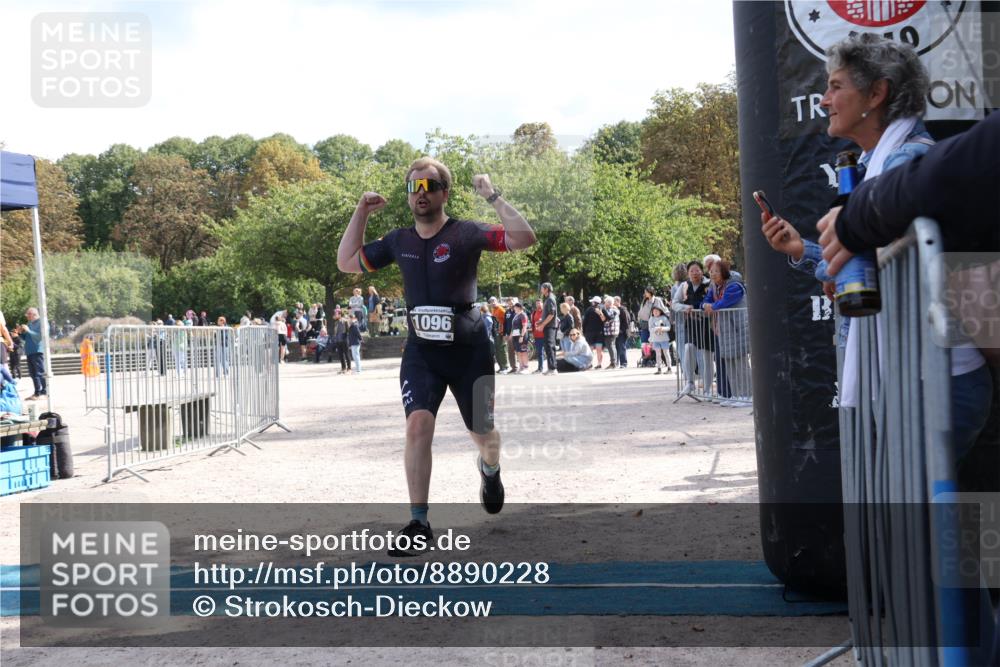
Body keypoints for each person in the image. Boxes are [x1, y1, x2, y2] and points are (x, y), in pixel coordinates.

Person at [336, 155, 536, 549]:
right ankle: (419, 523)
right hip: (422, 353)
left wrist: (493, 196)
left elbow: (524, 239)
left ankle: (490, 468)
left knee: (483, 432)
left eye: (429, 186)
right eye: (414, 187)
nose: (421, 194)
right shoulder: (399, 241)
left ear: (444, 192)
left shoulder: (466, 234)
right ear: (408, 195)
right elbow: (346, 262)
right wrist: (360, 211)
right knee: (417, 425)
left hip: (469, 352)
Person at [703, 260, 751, 406]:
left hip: (738, 327)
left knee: (740, 361)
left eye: (716, 271)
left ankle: (748, 395)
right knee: (729, 361)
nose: (713, 274)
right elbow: (706, 300)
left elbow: (726, 302)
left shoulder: (734, 285)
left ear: (724, 271)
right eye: (711, 271)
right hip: (724, 329)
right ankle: (736, 394)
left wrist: (711, 306)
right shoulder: (714, 286)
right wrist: (705, 305)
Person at [674, 261, 714, 396]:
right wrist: (685, 308)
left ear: (702, 272)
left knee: (707, 356)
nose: (695, 273)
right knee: (688, 348)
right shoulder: (684, 286)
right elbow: (674, 303)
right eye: (692, 271)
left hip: (708, 324)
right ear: (688, 273)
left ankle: (708, 389)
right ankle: (690, 382)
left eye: (697, 270)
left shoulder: (709, 284)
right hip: (691, 324)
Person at [19, 308, 49, 400]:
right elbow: (27, 338)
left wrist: (28, 330)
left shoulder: (42, 323)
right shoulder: (30, 324)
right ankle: (37, 393)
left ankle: (44, 392)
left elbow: (39, 337)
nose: (27, 316)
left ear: (34, 314)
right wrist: (20, 334)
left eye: (28, 314)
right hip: (30, 351)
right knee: (33, 374)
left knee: (39, 373)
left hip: (37, 351)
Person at [539, 282, 559, 376]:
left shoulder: (550, 298)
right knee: (548, 347)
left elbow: (552, 314)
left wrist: (543, 324)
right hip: (548, 326)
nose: (541, 289)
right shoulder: (547, 298)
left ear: (546, 289)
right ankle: (551, 367)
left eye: (542, 288)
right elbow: (548, 314)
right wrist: (540, 321)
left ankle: (553, 368)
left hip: (550, 326)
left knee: (550, 346)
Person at [582, 296, 605, 368]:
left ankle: (590, 363)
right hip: (600, 332)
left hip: (590, 332)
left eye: (592, 301)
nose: (591, 302)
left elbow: (585, 321)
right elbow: (604, 320)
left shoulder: (589, 310)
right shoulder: (602, 309)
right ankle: (599, 364)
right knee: (599, 349)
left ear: (594, 302)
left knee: (590, 349)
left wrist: (583, 330)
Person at [648, 304, 672, 374]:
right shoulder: (651, 319)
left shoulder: (664, 318)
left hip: (664, 339)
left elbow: (668, 327)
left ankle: (669, 368)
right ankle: (659, 368)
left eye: (657, 311)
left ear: (660, 311)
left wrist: (662, 329)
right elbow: (650, 329)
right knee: (658, 354)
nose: (655, 312)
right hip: (655, 340)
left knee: (666, 353)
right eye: (654, 311)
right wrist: (656, 329)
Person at [488, 297, 510, 374]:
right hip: (495, 332)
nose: (493, 303)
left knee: (502, 349)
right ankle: (501, 367)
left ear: (497, 301)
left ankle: (505, 366)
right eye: (491, 302)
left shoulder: (501, 309)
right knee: (497, 349)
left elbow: (506, 321)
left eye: (494, 301)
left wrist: (504, 332)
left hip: (501, 332)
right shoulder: (493, 309)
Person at [510, 301, 530, 374]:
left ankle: (526, 367)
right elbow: (513, 327)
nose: (514, 308)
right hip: (515, 336)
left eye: (515, 307)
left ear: (519, 307)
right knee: (518, 351)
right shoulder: (516, 315)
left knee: (523, 351)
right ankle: (521, 367)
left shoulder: (523, 315)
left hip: (522, 336)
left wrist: (521, 336)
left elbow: (524, 326)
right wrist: (511, 335)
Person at [600, 296, 619, 370]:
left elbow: (608, 319)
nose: (604, 304)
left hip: (611, 331)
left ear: (609, 303)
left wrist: (602, 314)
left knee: (610, 346)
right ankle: (614, 362)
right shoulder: (613, 309)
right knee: (612, 346)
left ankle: (613, 363)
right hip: (612, 331)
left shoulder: (612, 310)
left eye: (606, 302)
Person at [614, 295, 631, 369]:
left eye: (614, 301)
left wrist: (623, 330)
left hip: (622, 332)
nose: (613, 303)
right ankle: (616, 362)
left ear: (618, 301)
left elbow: (627, 321)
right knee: (616, 347)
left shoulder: (623, 309)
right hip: (615, 332)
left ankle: (624, 363)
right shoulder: (614, 309)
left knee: (621, 347)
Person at [531, 299, 547, 374]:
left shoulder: (545, 312)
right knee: (539, 352)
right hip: (537, 335)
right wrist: (533, 333)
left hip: (545, 335)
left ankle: (551, 367)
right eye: (537, 303)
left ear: (542, 303)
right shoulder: (534, 312)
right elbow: (533, 323)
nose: (538, 305)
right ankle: (540, 368)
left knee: (548, 352)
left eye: (539, 303)